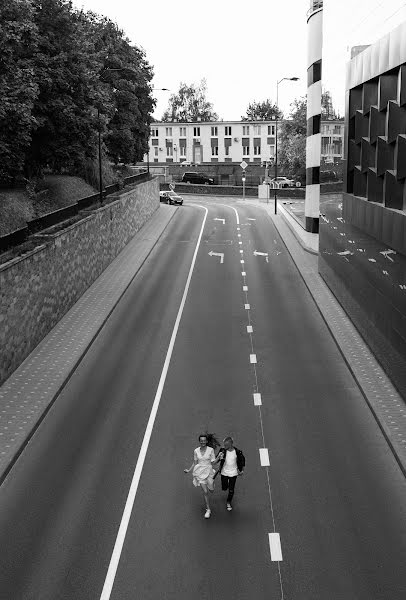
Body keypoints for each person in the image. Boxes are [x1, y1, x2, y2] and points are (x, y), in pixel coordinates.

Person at [184, 433, 221, 519]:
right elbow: (195, 462)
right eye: (201, 441)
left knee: (211, 489)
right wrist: (189, 470)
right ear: (199, 441)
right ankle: (208, 509)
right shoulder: (196, 450)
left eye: (204, 441)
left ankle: (211, 484)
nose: (203, 442)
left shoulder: (211, 450)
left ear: (207, 441)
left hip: (208, 471)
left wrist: (218, 457)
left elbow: (213, 462)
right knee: (205, 492)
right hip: (200, 472)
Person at [216, 436, 245, 511]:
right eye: (224, 445)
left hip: (233, 473)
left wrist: (241, 470)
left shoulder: (237, 452)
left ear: (231, 444)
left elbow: (242, 461)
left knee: (231, 490)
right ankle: (226, 486)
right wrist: (219, 457)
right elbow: (216, 460)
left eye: (226, 445)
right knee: (224, 487)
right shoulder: (222, 451)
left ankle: (228, 502)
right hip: (224, 472)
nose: (224, 446)